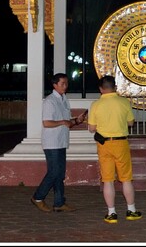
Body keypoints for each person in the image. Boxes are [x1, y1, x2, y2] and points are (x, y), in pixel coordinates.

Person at [87, 75, 142, 224]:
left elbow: (91, 128)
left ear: (100, 89)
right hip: (121, 143)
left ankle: (111, 213)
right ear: (115, 87)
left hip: (104, 144)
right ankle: (131, 210)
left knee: (108, 180)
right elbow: (131, 122)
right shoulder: (124, 102)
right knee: (126, 179)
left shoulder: (96, 105)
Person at [31, 73, 87, 213]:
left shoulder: (64, 99)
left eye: (66, 83)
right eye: (62, 83)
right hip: (52, 142)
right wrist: (63, 121)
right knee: (54, 172)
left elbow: (67, 122)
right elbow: (47, 123)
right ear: (54, 85)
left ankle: (59, 202)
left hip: (61, 140)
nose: (65, 86)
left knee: (59, 174)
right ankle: (38, 197)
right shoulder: (50, 101)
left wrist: (76, 121)